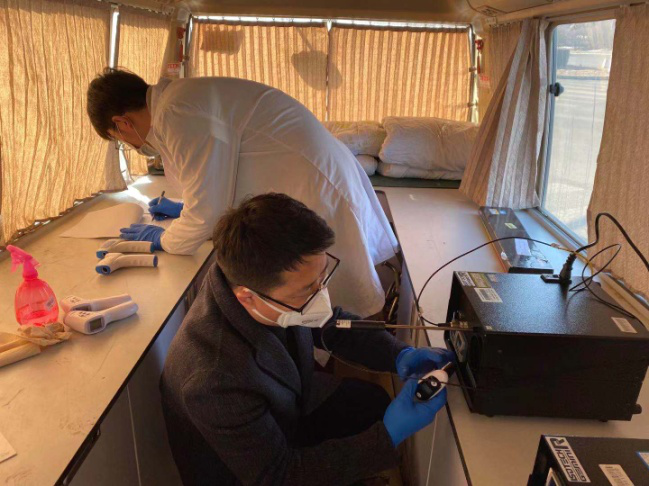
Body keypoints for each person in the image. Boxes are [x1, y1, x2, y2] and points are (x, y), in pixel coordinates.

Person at [160, 193, 454, 486]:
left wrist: (398, 354)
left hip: (284, 407)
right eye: (307, 290)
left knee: (371, 403)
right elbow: (280, 476)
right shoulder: (213, 379)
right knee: (373, 428)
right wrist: (386, 437)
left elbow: (330, 324)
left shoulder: (254, 280)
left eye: (322, 277)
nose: (321, 297)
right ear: (247, 297)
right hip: (249, 472)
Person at [86, 69, 397, 317]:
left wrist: (165, 239)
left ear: (122, 123)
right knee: (317, 301)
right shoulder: (183, 99)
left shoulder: (177, 113)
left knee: (327, 302)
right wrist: (185, 207)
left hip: (316, 190)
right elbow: (220, 173)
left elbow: (207, 214)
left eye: (120, 140)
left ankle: (346, 366)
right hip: (317, 181)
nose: (132, 146)